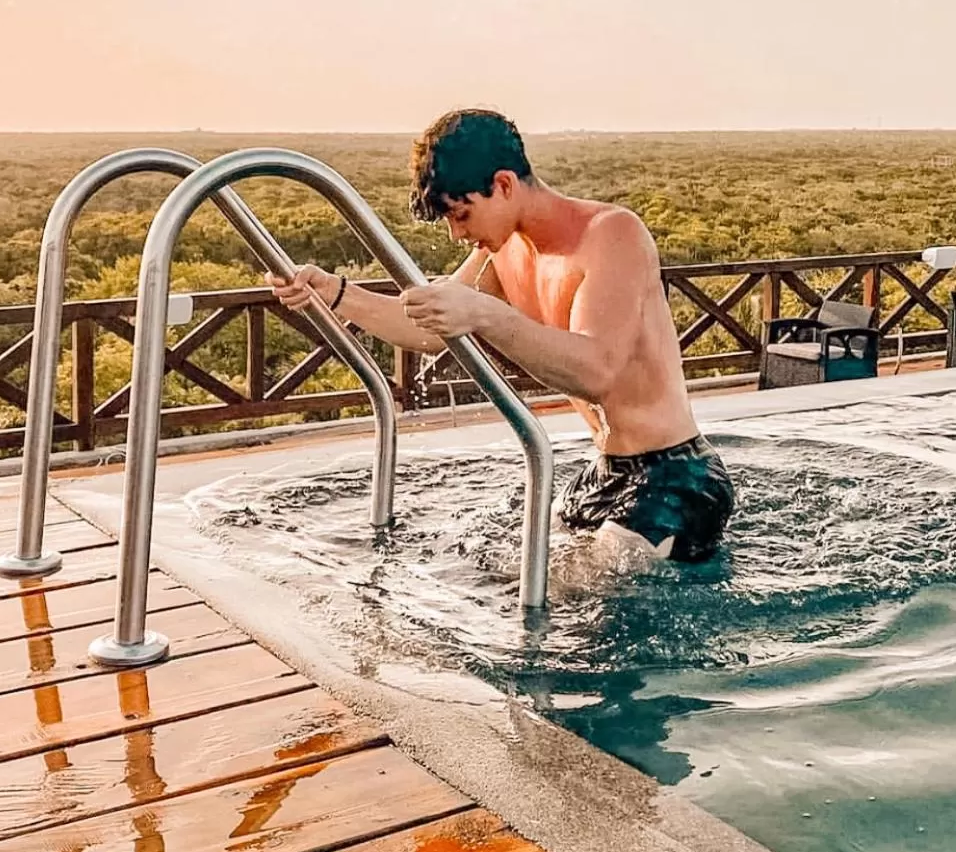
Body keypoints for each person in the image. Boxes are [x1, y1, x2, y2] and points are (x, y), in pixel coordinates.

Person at [266, 109, 734, 563]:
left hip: (678, 475)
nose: (455, 234)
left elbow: (597, 371)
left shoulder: (612, 234)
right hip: (606, 471)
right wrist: (336, 292)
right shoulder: (505, 250)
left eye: (462, 215)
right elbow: (429, 331)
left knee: (572, 590)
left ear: (504, 184)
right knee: (521, 565)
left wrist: (485, 314)